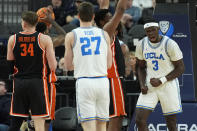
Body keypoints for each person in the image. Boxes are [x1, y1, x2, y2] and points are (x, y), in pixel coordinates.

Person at [64, 2, 112, 131]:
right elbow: (109, 64)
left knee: (88, 126)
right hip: (102, 81)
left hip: (85, 82)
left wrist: (81, 63)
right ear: (93, 16)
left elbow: (68, 66)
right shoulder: (104, 34)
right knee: (102, 125)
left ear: (78, 16)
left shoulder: (71, 35)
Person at [7, 11, 57, 131]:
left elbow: (9, 64)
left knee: (16, 123)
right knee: (39, 123)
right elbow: (53, 66)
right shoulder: (44, 39)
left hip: (20, 83)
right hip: (38, 83)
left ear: (23, 23)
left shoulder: (12, 39)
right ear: (36, 22)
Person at [135, 17, 184, 131]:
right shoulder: (142, 44)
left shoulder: (170, 44)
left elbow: (181, 68)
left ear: (158, 29)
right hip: (150, 85)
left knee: (171, 124)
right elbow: (140, 67)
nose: (151, 33)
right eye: (148, 31)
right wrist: (142, 84)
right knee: (139, 120)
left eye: (153, 30)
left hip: (168, 84)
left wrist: (161, 80)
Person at [94, 0, 129, 130]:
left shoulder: (94, 32)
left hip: (101, 79)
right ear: (103, 22)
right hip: (112, 80)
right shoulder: (106, 32)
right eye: (109, 18)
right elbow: (120, 11)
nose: (113, 20)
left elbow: (103, 8)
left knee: (105, 117)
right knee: (117, 116)